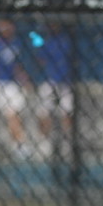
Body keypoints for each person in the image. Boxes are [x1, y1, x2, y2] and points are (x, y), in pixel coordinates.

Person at [0, 17, 32, 158]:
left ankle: (19, 145)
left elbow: (18, 67)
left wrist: (25, 81)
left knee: (13, 114)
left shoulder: (18, 45)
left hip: (11, 85)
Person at [33, 21, 74, 157]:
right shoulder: (47, 41)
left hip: (65, 82)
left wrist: (38, 41)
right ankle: (44, 144)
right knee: (44, 112)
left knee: (66, 113)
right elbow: (40, 59)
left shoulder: (65, 41)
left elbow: (41, 59)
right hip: (50, 82)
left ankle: (66, 144)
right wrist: (37, 41)